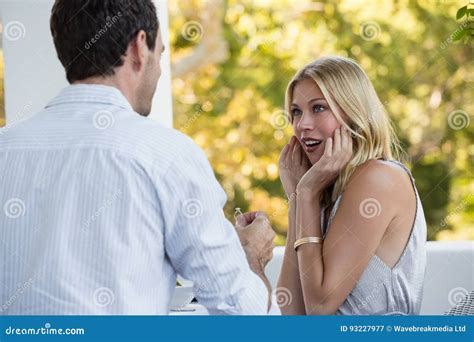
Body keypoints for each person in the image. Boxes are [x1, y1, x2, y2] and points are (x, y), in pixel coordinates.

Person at [0, 0, 278, 315]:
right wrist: (250, 257)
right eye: (160, 54)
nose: (159, 69)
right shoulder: (167, 155)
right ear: (139, 46)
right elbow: (243, 313)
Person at [277, 56, 427, 315]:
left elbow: (320, 307)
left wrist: (307, 194)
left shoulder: (378, 178)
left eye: (319, 108)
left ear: (354, 113)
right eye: (296, 112)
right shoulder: (324, 193)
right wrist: (297, 199)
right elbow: (292, 313)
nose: (302, 125)